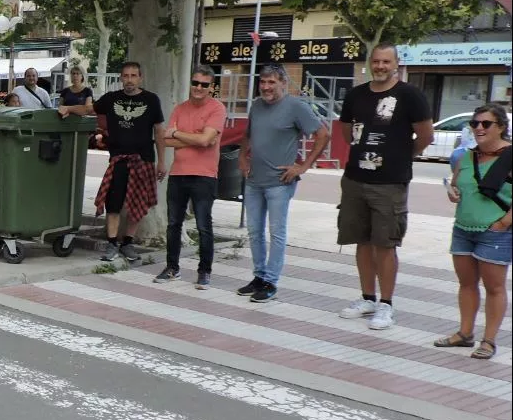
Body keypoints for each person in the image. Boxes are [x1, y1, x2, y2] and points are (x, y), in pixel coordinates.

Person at [335, 44, 434, 330]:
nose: (380, 66)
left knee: (385, 244)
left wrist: (401, 156)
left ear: (396, 64)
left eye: (386, 61)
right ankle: (367, 298)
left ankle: (386, 305)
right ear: (370, 62)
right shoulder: (356, 94)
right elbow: (346, 132)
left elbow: (426, 136)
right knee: (361, 241)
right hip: (355, 180)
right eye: (376, 61)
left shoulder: (410, 95)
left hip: (390, 183)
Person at [237, 65, 330, 302]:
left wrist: (304, 166)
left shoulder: (296, 106)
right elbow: (248, 133)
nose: (266, 87)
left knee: (276, 232)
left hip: (280, 181)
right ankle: (258, 276)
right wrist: (242, 156)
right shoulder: (257, 105)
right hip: (254, 180)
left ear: (283, 83)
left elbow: (323, 134)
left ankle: (271, 281)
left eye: (271, 82)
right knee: (254, 231)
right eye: (263, 82)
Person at [434, 104, 511, 361]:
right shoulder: (466, 156)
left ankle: (488, 341)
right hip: (463, 228)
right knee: (466, 284)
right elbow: (456, 184)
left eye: (485, 124)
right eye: (475, 123)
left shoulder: (510, 156)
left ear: (500, 126)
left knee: (494, 287)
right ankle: (464, 333)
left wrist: (503, 223)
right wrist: (453, 193)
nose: (478, 128)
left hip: (496, 232)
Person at [156, 66, 227, 289]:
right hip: (178, 173)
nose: (198, 87)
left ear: (211, 87)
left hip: (205, 175)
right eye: (195, 83)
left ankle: (204, 271)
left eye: (204, 84)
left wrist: (177, 133)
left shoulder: (217, 109)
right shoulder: (179, 109)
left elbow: (204, 141)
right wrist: (198, 138)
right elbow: (166, 141)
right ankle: (172, 268)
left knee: (204, 225)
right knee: (173, 224)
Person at [92, 61, 166, 261]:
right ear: (121, 78)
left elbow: (159, 131)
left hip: (143, 160)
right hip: (118, 160)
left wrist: (162, 161)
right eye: (126, 76)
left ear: (140, 78)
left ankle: (127, 243)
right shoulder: (110, 98)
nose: (130, 80)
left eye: (134, 75)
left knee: (137, 204)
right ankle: (112, 244)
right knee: (113, 204)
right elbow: (91, 109)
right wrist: (68, 108)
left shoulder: (151, 100)